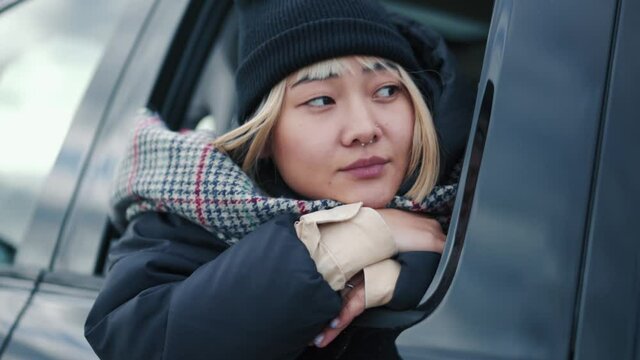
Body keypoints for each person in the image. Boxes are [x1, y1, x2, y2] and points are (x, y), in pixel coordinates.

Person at [85, 0, 473, 358]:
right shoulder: (189, 212)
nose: (364, 128)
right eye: (321, 100)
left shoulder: (479, 197)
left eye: (387, 90)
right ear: (266, 135)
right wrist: (339, 243)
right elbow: (137, 339)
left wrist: (401, 278)